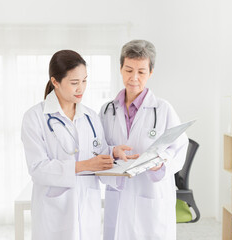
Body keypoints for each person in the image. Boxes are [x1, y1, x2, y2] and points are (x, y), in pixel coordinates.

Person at [21, 50, 134, 240]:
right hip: (54, 210)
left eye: (84, 80)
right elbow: (37, 169)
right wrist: (84, 166)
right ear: (55, 82)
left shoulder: (90, 116)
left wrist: (113, 152)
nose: (81, 88)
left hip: (86, 206)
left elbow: (98, 151)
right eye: (74, 83)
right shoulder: (35, 117)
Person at [100, 40, 189, 240]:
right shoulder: (107, 111)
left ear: (151, 73)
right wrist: (113, 151)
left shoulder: (163, 109)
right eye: (129, 70)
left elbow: (179, 147)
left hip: (151, 192)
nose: (134, 78)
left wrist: (161, 162)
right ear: (121, 68)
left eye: (141, 72)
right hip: (119, 192)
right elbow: (99, 148)